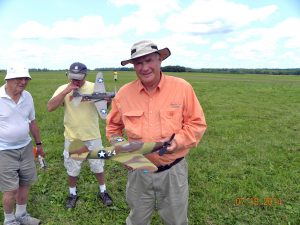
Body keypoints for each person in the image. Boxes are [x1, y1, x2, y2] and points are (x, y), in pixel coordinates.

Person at [106, 40, 207, 225]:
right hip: (138, 173)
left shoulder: (182, 88)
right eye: (138, 63)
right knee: (137, 219)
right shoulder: (124, 94)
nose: (144, 68)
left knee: (176, 221)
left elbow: (196, 124)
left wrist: (177, 142)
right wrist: (122, 148)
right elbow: (113, 128)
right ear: (133, 66)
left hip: (172, 171)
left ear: (159, 59)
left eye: (149, 60)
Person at [47, 62, 113, 208]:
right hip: (73, 137)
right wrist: (66, 91)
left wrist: (107, 102)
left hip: (93, 136)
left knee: (98, 166)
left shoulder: (93, 87)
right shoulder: (62, 89)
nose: (75, 81)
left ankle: (103, 191)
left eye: (79, 78)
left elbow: (102, 107)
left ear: (85, 75)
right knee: (72, 168)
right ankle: (72, 193)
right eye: (73, 78)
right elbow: (50, 107)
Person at [0, 65, 45, 225]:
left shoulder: (28, 97)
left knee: (25, 182)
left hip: (25, 147)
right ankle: (9, 220)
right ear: (8, 79)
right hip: (4, 150)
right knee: (11, 188)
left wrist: (39, 144)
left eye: (26, 78)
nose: (24, 82)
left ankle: (21, 215)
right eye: (19, 78)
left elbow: (32, 122)